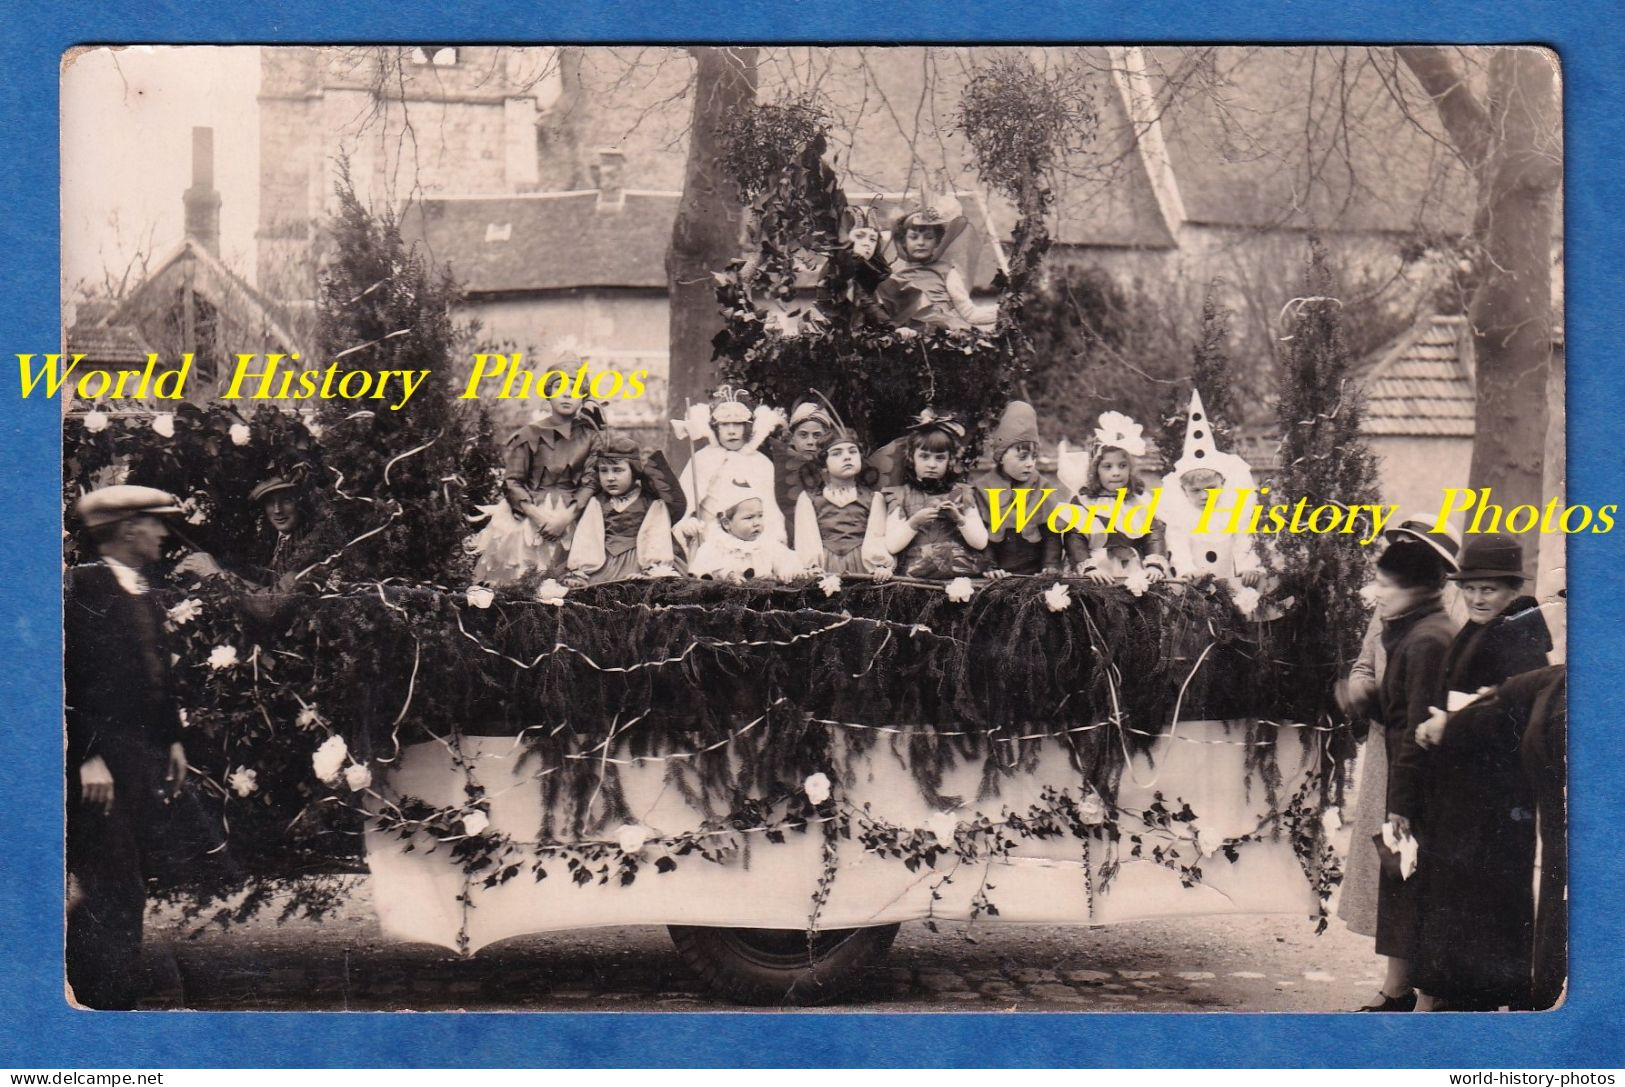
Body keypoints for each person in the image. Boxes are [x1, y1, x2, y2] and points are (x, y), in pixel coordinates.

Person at [1399, 532, 1551, 1011]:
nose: (1478, 597)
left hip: (1496, 794)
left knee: (1483, 895)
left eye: (1489, 589)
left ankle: (1473, 998)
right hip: (1463, 789)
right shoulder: (1479, 628)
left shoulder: (1521, 632)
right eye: (1470, 588)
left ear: (1511, 590)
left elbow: (1516, 707)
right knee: (1456, 892)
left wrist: (1452, 724)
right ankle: (1452, 993)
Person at [65, 485, 191, 1009]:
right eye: (154, 523)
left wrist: (173, 740)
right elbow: (69, 680)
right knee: (110, 882)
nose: (163, 533)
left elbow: (153, 673)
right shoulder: (83, 589)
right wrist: (86, 756)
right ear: (126, 529)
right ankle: (99, 1004)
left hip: (138, 759)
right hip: (101, 764)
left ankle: (113, 995)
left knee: (129, 879)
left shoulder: (138, 588)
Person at [1335, 518, 1460, 1006]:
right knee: (1399, 875)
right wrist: (1362, 693)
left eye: (1385, 583)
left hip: (1411, 771)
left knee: (1413, 877)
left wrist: (1403, 801)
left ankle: (1426, 995)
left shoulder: (1430, 633)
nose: (1376, 592)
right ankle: (1401, 986)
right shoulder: (1403, 622)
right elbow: (1374, 669)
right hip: (1395, 756)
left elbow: (1419, 722)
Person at [471, 374, 601, 585]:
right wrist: (538, 517)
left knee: (568, 583)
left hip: (574, 514)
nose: (567, 394)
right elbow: (512, 481)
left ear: (583, 398)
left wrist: (565, 519)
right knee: (518, 578)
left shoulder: (592, 437)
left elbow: (591, 481)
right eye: (560, 388)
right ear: (548, 393)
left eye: (576, 390)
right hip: (529, 514)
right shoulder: (528, 434)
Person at [175, 474, 339, 624]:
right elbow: (259, 578)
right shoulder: (273, 541)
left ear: (300, 504)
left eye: (286, 500)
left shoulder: (313, 546)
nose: (277, 510)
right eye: (270, 502)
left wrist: (215, 574)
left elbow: (272, 607)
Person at [673, 386, 786, 554]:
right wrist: (687, 522)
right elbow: (683, 503)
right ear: (715, 428)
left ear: (748, 428)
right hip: (710, 542)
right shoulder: (702, 460)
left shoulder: (762, 464)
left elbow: (771, 510)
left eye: (738, 424)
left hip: (754, 545)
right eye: (724, 425)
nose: (731, 431)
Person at [565, 434, 686, 585]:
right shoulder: (597, 503)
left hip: (640, 562)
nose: (610, 478)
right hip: (602, 564)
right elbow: (587, 536)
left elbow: (656, 535)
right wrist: (581, 571)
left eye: (617, 470)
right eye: (604, 471)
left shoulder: (651, 503)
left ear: (634, 471)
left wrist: (652, 569)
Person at [880, 411, 989, 578]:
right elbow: (892, 545)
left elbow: (981, 542)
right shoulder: (900, 495)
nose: (931, 465)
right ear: (911, 458)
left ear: (950, 461)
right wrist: (914, 522)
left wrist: (959, 519)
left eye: (939, 458)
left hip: (958, 577)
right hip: (914, 579)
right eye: (924, 457)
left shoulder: (962, 493)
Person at [1068, 411, 1168, 584]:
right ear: (1095, 471)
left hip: (1131, 568)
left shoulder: (1138, 500)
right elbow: (1074, 537)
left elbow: (1153, 532)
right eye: (1107, 467)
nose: (1116, 473)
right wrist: (1089, 567)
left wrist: (1154, 563)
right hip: (1097, 570)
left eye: (1122, 466)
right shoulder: (1084, 501)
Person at [971, 401, 1067, 578]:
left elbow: (1052, 533)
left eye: (1034, 457)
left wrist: (1050, 566)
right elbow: (981, 535)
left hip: (1035, 573)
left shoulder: (1042, 487)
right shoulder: (982, 489)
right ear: (1001, 456)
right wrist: (990, 567)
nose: (1030, 463)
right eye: (1022, 457)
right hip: (999, 572)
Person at [877, 193, 995, 333]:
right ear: (903, 241)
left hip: (946, 336)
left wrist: (1005, 310)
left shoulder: (946, 271)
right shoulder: (892, 271)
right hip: (907, 340)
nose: (921, 243)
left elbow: (969, 313)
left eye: (928, 237)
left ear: (937, 241)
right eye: (914, 237)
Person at [792, 426, 893, 577]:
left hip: (862, 567)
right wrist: (811, 566)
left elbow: (876, 536)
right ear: (824, 463)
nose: (847, 457)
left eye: (852, 451)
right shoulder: (809, 499)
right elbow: (806, 538)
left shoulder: (873, 498)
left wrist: (879, 565)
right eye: (837, 453)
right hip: (824, 568)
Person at [688, 479, 805, 584]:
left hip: (762, 598)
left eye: (760, 516)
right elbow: (701, 570)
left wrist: (787, 570)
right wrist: (725, 574)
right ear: (726, 523)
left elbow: (785, 558)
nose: (757, 522)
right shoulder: (716, 546)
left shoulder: (766, 544)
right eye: (749, 518)